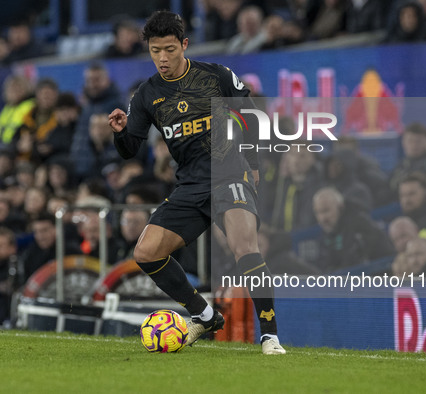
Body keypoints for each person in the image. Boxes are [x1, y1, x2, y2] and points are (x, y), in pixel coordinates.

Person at [108, 11, 285, 354]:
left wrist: (254, 164)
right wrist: (119, 134)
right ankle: (205, 316)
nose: (162, 58)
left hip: (229, 173)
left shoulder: (215, 76)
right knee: (145, 252)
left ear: (184, 45)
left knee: (245, 247)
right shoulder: (148, 95)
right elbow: (130, 149)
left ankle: (271, 337)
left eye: (170, 49)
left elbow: (250, 114)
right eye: (155, 50)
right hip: (189, 184)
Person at [313, 187, 394, 273]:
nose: (322, 218)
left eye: (326, 211)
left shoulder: (359, 225)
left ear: (340, 207)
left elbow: (357, 262)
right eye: (318, 212)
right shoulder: (327, 232)